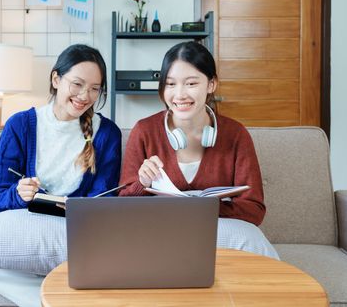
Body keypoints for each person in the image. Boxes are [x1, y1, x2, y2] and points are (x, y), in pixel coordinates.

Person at [0, 44, 122, 307]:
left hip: (73, 237)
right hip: (29, 233)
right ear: (56, 79)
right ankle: (53, 300)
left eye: (95, 88)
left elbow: (103, 203)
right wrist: (18, 193)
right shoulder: (20, 125)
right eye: (77, 84)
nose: (85, 96)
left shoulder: (107, 133)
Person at [119, 41, 278, 259]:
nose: (180, 94)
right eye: (171, 84)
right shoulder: (144, 131)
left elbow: (254, 209)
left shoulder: (235, 134)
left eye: (191, 83)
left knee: (250, 237)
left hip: (216, 230)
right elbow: (121, 207)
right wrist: (142, 184)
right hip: (159, 229)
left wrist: (200, 208)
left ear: (211, 84)